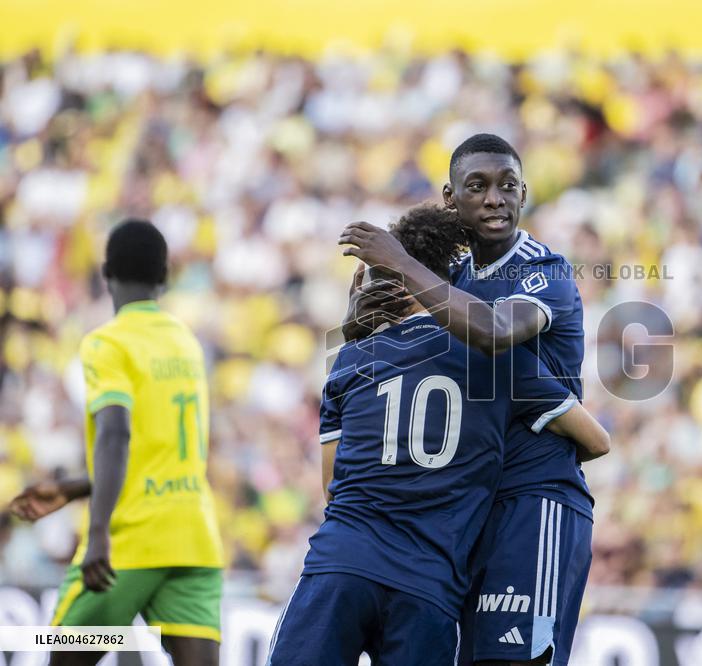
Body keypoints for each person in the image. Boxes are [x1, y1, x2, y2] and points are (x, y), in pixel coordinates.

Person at [268, 205, 609, 665]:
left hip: (343, 564)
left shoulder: (350, 358)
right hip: (429, 584)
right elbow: (595, 440)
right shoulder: (498, 359)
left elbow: (331, 488)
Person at [339, 134, 593, 665]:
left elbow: (496, 330)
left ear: (524, 193)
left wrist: (403, 263)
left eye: (508, 186)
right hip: (462, 508)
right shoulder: (450, 278)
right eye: (477, 186)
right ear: (450, 197)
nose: (495, 198)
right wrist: (357, 325)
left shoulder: (544, 270)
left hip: (533, 500)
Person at [10, 220, 224, 666]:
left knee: (64, 656)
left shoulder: (107, 344)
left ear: (106, 274)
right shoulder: (185, 342)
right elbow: (155, 451)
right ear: (165, 277)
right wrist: (71, 489)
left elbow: (116, 433)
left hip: (129, 543)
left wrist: (100, 531)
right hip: (193, 540)